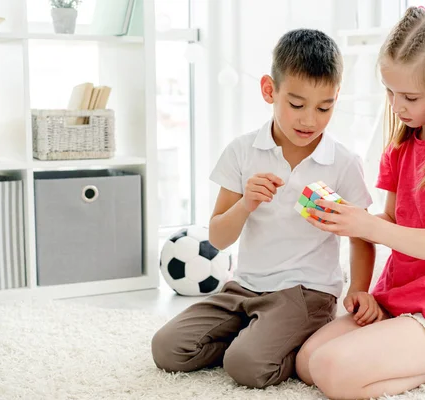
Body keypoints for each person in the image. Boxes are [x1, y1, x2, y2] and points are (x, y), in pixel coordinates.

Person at [295, 6, 425, 399]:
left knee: (331, 371)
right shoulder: (404, 143)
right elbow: (391, 218)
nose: (396, 105)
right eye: (389, 92)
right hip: (399, 299)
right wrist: (346, 219)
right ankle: (399, 354)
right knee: (308, 363)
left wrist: (369, 226)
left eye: (409, 96)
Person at [150, 28, 374, 389]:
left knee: (247, 368)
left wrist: (359, 289)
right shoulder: (242, 151)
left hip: (305, 292)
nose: (309, 120)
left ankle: (262, 342)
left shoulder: (343, 162)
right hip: (244, 287)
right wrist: (246, 203)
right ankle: (255, 337)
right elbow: (219, 238)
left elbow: (362, 235)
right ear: (270, 90)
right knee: (167, 349)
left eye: (325, 107)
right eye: (297, 104)